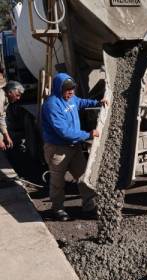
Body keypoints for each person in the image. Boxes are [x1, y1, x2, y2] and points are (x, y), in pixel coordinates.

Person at [42, 72, 107, 221]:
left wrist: (98, 102)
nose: (70, 92)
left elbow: (82, 102)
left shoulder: (71, 98)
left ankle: (89, 205)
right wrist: (88, 134)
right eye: (67, 90)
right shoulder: (52, 105)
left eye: (72, 89)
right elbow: (64, 132)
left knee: (84, 176)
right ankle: (58, 209)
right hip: (58, 150)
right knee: (58, 181)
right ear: (59, 89)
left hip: (74, 147)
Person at [0, 81, 24, 151]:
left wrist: (6, 136)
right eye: (17, 95)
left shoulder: (6, 98)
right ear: (10, 92)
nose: (18, 98)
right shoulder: (0, 99)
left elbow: (1, 117)